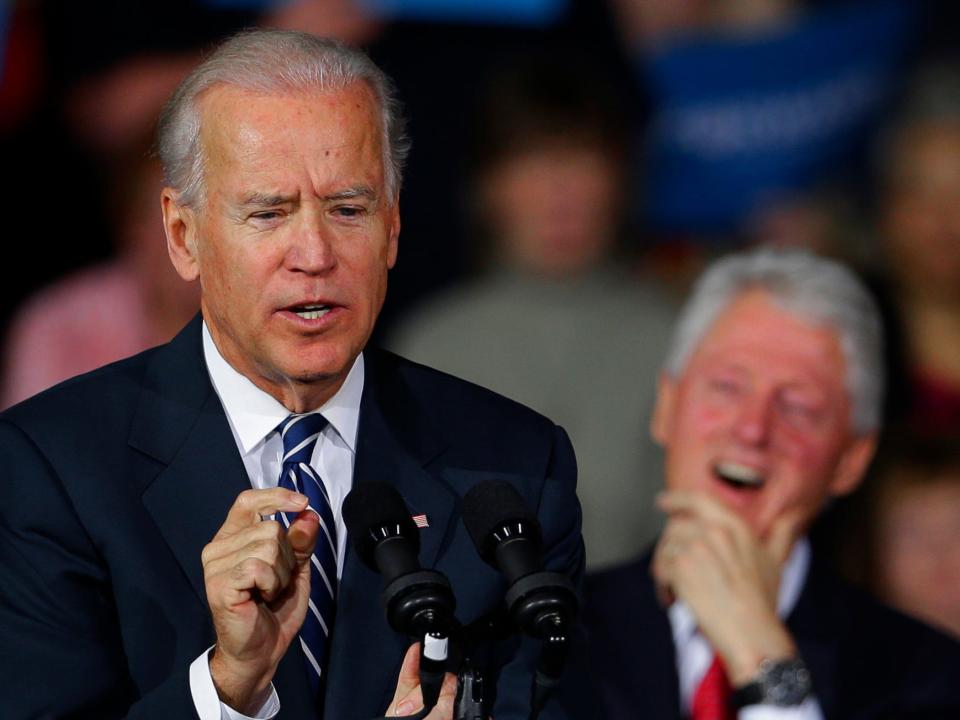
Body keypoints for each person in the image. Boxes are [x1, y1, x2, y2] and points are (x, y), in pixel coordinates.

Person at [0, 30, 585, 720]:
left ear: (393, 228)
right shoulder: (51, 470)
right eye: (268, 212)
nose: (313, 254)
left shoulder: (517, 469)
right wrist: (226, 688)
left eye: (348, 209)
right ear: (184, 237)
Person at [584, 248, 960, 719]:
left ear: (851, 459)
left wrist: (760, 655)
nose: (753, 429)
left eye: (798, 407)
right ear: (666, 407)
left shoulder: (925, 675)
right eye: (727, 387)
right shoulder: (544, 636)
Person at [390, 58, 677, 571]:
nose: (559, 191)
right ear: (486, 189)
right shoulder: (428, 345)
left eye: (581, 158)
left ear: (620, 179)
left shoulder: (678, 336)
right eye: (532, 160)